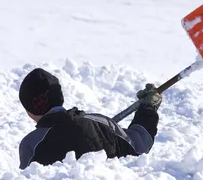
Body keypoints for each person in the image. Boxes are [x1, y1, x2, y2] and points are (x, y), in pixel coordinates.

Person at [18, 68, 162, 169]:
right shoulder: (101, 124)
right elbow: (139, 145)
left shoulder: (30, 144)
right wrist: (148, 108)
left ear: (28, 110)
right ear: (59, 97)